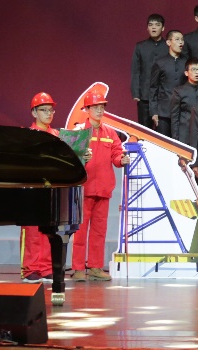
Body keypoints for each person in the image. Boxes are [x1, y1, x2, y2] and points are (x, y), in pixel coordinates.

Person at [69, 91, 127, 281]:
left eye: (102, 107)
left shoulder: (110, 133)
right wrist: (80, 157)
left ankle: (95, 267)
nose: (100, 110)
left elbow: (116, 154)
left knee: (99, 232)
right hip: (83, 189)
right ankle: (78, 268)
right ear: (87, 109)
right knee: (80, 231)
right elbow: (70, 158)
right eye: (96, 107)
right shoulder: (79, 132)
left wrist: (121, 159)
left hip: (103, 189)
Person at [21, 93, 59, 283]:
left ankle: (46, 268)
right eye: (44, 110)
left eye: (51, 110)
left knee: (48, 230)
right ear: (34, 112)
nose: (48, 113)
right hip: (32, 189)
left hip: (52, 189)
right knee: (32, 232)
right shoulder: (27, 135)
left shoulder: (57, 135)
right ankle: (30, 270)